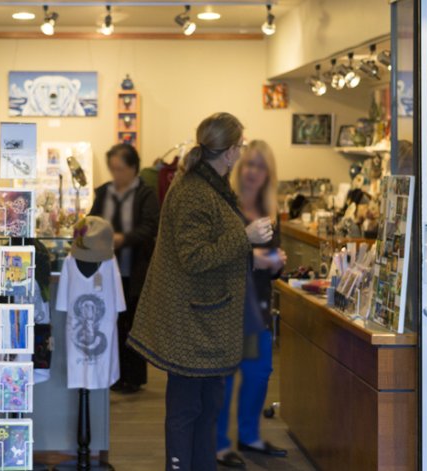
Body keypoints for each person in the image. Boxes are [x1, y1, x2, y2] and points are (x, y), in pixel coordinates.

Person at [129, 112, 274, 471]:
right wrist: (246, 237)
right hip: (192, 322)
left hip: (206, 317)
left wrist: (249, 255)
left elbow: (206, 250)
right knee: (187, 410)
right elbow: (194, 258)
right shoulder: (194, 192)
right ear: (227, 152)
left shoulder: (207, 185)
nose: (241, 154)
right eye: (239, 147)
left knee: (207, 409)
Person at [216, 140, 289, 468]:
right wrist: (255, 258)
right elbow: (213, 256)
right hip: (226, 308)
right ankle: (218, 444)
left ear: (267, 174)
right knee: (225, 379)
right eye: (248, 164)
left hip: (255, 310)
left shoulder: (269, 213)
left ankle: (249, 436)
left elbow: (273, 265)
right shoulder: (225, 205)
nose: (252, 172)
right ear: (238, 167)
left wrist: (276, 262)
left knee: (259, 374)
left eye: (260, 166)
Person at [88, 144, 159, 394]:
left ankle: (133, 377)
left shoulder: (146, 194)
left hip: (135, 270)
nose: (115, 174)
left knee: (134, 324)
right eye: (112, 169)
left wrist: (123, 239)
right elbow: (92, 221)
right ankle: (113, 375)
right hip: (107, 271)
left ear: (133, 168)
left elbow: (150, 227)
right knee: (110, 322)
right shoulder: (104, 192)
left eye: (120, 169)